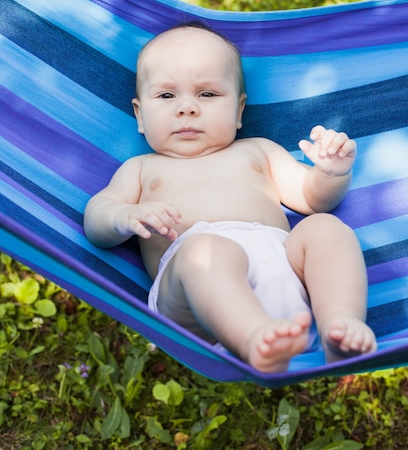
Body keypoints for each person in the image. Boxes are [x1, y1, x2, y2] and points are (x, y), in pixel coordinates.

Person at [84, 23, 377, 373]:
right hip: (195, 298)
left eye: (207, 94)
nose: (187, 108)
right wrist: (123, 217)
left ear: (239, 111)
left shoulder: (258, 151)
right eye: (166, 96)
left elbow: (311, 199)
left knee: (327, 229)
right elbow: (96, 218)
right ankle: (255, 338)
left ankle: (339, 326)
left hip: (284, 271)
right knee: (206, 251)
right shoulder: (142, 169)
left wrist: (330, 173)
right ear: (140, 115)